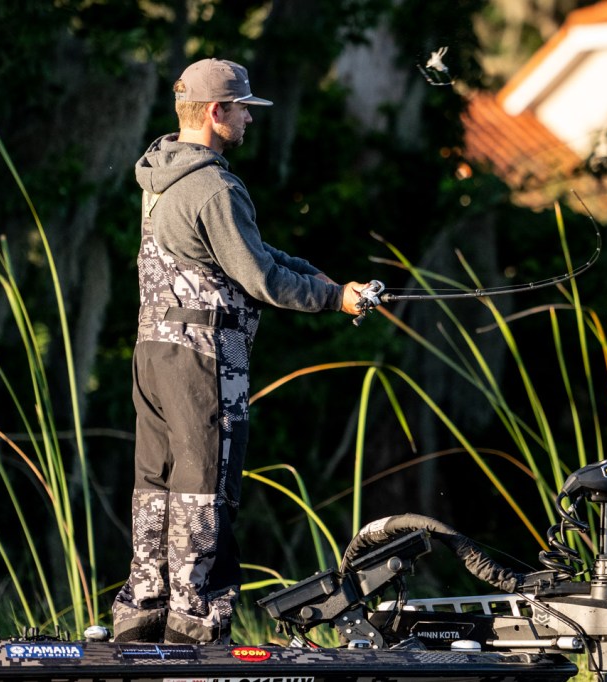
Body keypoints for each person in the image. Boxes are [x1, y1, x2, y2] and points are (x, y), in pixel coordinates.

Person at [112, 57, 368, 645]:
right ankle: (195, 629)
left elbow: (245, 251)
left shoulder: (161, 176)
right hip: (203, 357)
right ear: (215, 111)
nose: (249, 119)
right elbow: (261, 279)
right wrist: (335, 300)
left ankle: (141, 618)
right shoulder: (216, 186)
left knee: (156, 485)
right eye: (243, 109)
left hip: (153, 354)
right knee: (208, 487)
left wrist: (318, 277)